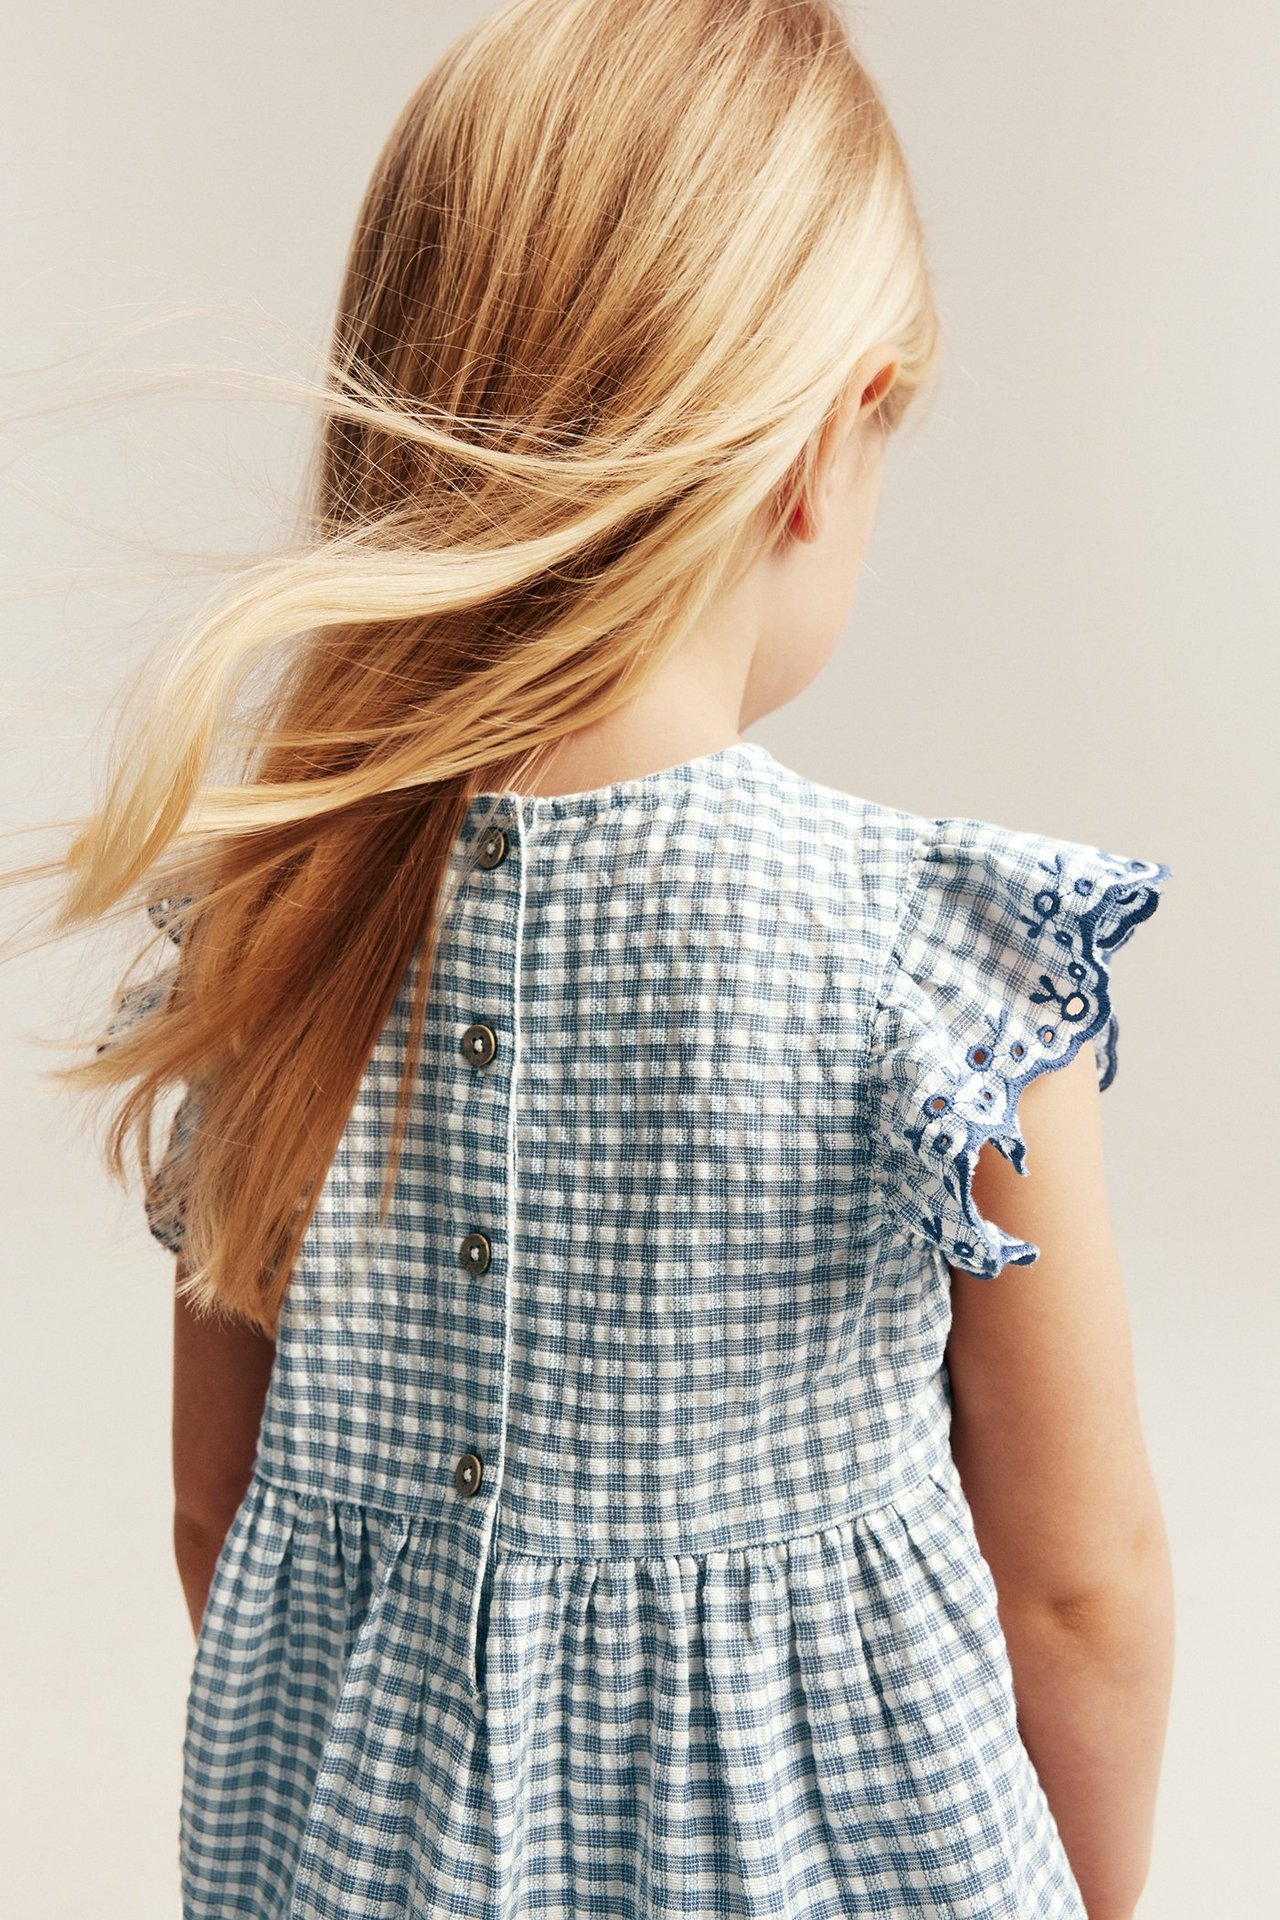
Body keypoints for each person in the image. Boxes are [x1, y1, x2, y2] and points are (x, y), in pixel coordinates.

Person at [32, 0, 1174, 1913]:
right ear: (824, 450)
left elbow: (216, 1514)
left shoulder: (272, 931)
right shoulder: (944, 983)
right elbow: (1080, 1585)